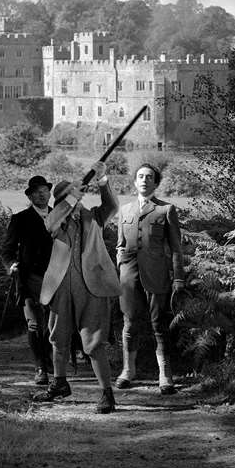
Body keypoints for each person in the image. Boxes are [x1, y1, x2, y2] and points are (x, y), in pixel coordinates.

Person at [32, 165, 121, 413]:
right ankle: (60, 384)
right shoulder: (54, 219)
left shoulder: (93, 217)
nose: (77, 200)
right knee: (57, 338)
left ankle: (107, 394)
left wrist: (102, 180)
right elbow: (52, 222)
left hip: (91, 289)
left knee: (93, 344)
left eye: (77, 195)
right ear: (62, 201)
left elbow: (112, 207)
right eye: (69, 196)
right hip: (60, 288)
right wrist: (73, 196)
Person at [114, 163, 187, 395]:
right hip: (129, 277)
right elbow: (119, 244)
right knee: (130, 323)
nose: (144, 180)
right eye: (140, 177)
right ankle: (128, 370)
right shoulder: (124, 210)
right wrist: (120, 264)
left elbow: (176, 248)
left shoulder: (166, 210)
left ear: (156, 183)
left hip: (156, 275)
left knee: (159, 325)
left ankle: (164, 375)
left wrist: (178, 278)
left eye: (149, 177)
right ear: (134, 182)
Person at [2, 175, 57, 385]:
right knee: (35, 324)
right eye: (36, 191)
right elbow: (7, 250)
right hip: (29, 278)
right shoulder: (20, 219)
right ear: (30, 196)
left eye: (44, 190)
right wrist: (11, 266)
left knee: (53, 324)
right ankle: (40, 367)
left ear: (49, 193)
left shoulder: (58, 215)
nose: (41, 194)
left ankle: (50, 359)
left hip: (56, 277)